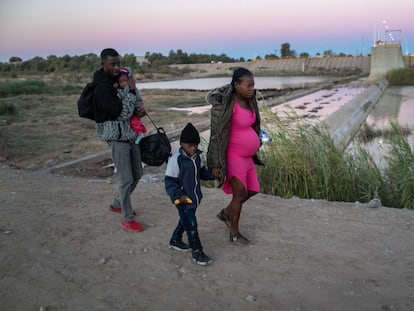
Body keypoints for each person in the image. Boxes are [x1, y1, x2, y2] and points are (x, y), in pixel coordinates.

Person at [206, 67, 263, 246]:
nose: (252, 89)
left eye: (253, 85)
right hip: (233, 155)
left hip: (247, 157)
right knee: (239, 194)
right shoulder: (224, 105)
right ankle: (235, 234)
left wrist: (256, 141)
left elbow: (253, 125)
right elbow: (216, 134)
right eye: (248, 85)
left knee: (253, 190)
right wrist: (215, 164)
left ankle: (225, 213)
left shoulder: (250, 100)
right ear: (237, 85)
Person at [93, 48, 146, 232]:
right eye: (112, 64)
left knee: (137, 174)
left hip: (131, 136)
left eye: (118, 63)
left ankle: (117, 204)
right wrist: (130, 91)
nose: (116, 67)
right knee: (125, 179)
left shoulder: (124, 79)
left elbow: (135, 106)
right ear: (103, 64)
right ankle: (126, 217)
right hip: (117, 138)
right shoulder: (104, 88)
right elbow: (123, 113)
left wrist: (140, 109)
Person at [165, 123, 213, 266]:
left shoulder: (198, 158)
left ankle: (175, 239)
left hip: (195, 198)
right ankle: (197, 252)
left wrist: (213, 174)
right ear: (181, 144)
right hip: (183, 200)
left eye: (195, 145)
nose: (193, 149)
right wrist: (178, 196)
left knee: (184, 221)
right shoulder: (176, 160)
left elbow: (202, 174)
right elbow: (169, 182)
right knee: (192, 225)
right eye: (189, 146)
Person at [117, 67, 147, 144]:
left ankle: (140, 134)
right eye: (121, 82)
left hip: (137, 107)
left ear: (129, 80)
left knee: (134, 121)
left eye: (125, 81)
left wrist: (138, 107)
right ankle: (142, 131)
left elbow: (133, 99)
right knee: (137, 121)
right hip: (137, 107)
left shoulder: (131, 88)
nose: (123, 83)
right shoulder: (127, 88)